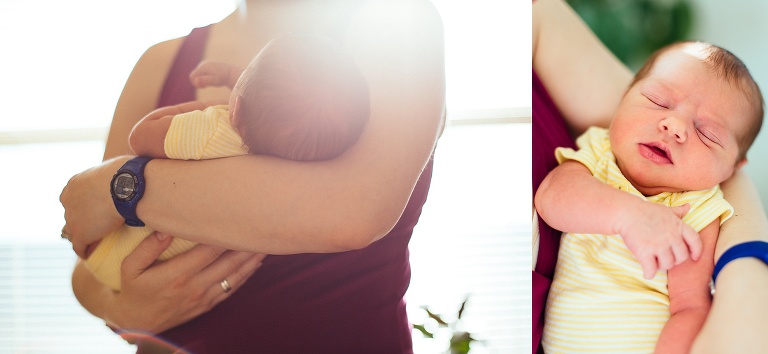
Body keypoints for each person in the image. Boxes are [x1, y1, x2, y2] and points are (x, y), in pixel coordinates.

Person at [59, 0, 445, 352]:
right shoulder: (160, 61)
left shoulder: (398, 24)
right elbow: (86, 263)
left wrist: (118, 186)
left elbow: (352, 213)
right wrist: (125, 308)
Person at [532, 0, 768, 353]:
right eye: (659, 101)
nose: (674, 127)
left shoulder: (697, 210)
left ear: (732, 169)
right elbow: (552, 199)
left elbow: (689, 308)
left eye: (708, 134)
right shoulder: (600, 154)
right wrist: (629, 214)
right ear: (623, 97)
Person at [84, 34, 370, 291]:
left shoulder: (210, 131)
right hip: (175, 267)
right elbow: (274, 104)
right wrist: (234, 78)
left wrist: (190, 111)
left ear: (235, 109)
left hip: (119, 254)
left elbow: (140, 138)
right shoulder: (296, 171)